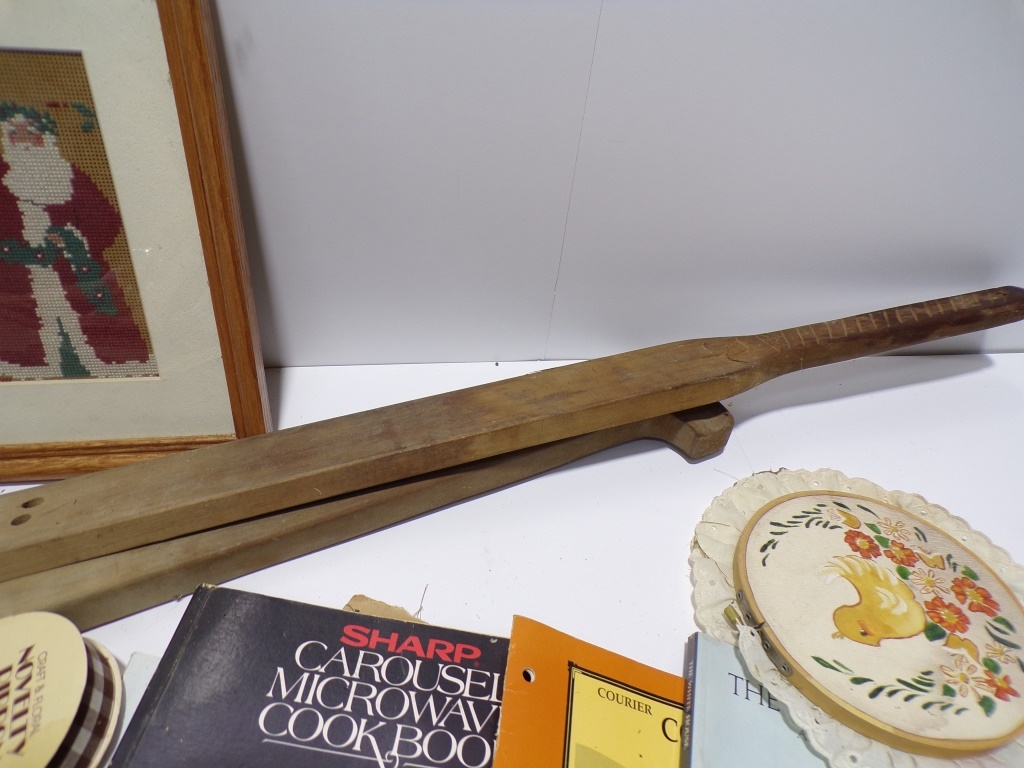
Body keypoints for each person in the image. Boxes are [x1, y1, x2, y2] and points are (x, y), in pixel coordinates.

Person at [0, 102, 153, 379]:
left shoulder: (67, 175)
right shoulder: (3, 179)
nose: (23, 142)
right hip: (19, 285)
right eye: (14, 134)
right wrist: (22, 250)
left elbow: (107, 222)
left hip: (78, 274)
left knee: (100, 339)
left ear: (44, 136)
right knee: (28, 348)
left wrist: (70, 238)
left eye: (30, 133)